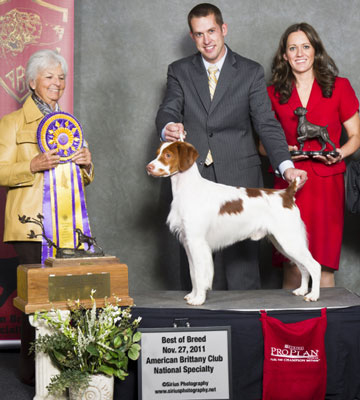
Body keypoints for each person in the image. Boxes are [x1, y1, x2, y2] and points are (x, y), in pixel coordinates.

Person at [155, 3, 306, 291]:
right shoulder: (179, 71)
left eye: (211, 31)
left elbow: (266, 123)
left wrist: (286, 166)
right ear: (192, 37)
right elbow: (168, 109)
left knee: (242, 271)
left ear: (223, 29)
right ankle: (198, 322)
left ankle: (247, 330)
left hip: (240, 177)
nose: (207, 40)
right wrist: (168, 127)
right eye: (199, 34)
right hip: (193, 180)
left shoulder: (250, 71)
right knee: (194, 260)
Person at [0, 49, 93, 385]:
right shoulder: (11, 123)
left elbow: (81, 181)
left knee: (68, 298)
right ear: (32, 82)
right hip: (28, 225)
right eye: (50, 76)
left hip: (67, 227)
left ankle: (65, 369)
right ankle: (31, 375)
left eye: (61, 77)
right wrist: (31, 165)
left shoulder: (67, 124)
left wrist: (85, 163)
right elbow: (0, 170)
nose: (58, 83)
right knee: (37, 301)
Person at [265, 22, 360, 288]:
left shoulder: (340, 87)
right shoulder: (272, 92)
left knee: (323, 265)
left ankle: (325, 328)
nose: (299, 53)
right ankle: (289, 328)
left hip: (327, 184)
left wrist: (339, 153)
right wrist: (284, 151)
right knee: (293, 265)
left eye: (305, 46)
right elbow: (262, 145)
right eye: (292, 48)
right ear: (284, 55)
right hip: (290, 186)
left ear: (315, 50)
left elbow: (356, 136)